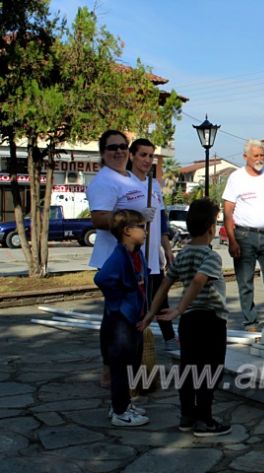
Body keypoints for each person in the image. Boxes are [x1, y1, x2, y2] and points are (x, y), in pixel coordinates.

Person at [142, 199, 231, 437]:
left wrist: (152, 313)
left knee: (189, 369)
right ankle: (205, 420)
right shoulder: (211, 257)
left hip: (189, 323)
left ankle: (187, 416)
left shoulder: (181, 255)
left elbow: (165, 284)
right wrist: (180, 308)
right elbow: (200, 281)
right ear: (212, 228)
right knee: (210, 370)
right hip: (211, 320)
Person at [87, 130, 156, 388]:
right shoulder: (104, 182)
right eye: (112, 147)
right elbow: (99, 218)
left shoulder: (129, 177)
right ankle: (113, 372)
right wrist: (133, 220)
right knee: (117, 320)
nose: (119, 151)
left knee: (127, 318)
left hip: (134, 258)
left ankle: (126, 372)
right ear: (103, 153)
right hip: (113, 259)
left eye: (123, 147)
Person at [93, 209, 150, 427]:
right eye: (142, 228)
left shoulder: (136, 253)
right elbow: (103, 278)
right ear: (127, 231)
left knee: (131, 364)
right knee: (121, 367)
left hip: (134, 318)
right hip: (121, 321)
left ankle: (123, 403)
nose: (145, 232)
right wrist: (119, 302)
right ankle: (120, 411)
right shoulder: (119, 257)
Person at [222, 139, 264, 332]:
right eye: (256, 156)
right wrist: (232, 240)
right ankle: (250, 322)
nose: (259, 159)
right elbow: (228, 211)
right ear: (245, 157)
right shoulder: (236, 178)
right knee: (245, 282)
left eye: (262, 156)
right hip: (244, 236)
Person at [127, 138, 178, 351]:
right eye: (143, 155)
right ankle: (131, 342)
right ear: (131, 156)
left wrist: (167, 249)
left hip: (154, 256)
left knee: (160, 299)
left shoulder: (154, 184)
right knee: (136, 302)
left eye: (150, 156)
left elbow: (162, 221)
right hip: (134, 255)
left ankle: (170, 340)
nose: (147, 160)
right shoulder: (124, 183)